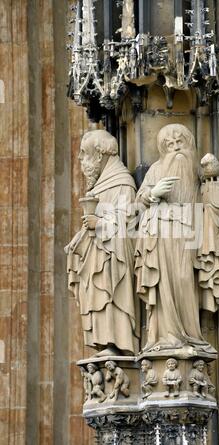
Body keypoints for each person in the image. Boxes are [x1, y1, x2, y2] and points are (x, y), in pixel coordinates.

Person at [135, 123, 219, 353]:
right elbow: (138, 203)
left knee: (185, 280)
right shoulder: (156, 170)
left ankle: (189, 334)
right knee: (163, 283)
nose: (176, 148)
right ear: (162, 149)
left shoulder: (195, 171)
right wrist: (152, 194)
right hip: (160, 236)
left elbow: (214, 206)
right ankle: (165, 336)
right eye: (170, 145)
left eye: (180, 143)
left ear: (189, 145)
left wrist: (212, 177)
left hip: (188, 235)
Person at [65, 129, 140, 357]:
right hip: (99, 255)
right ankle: (104, 342)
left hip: (113, 259)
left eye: (84, 154)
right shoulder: (101, 185)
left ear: (99, 155)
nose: (80, 160)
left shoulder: (122, 183)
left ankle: (116, 341)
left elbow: (128, 223)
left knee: (110, 294)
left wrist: (100, 223)